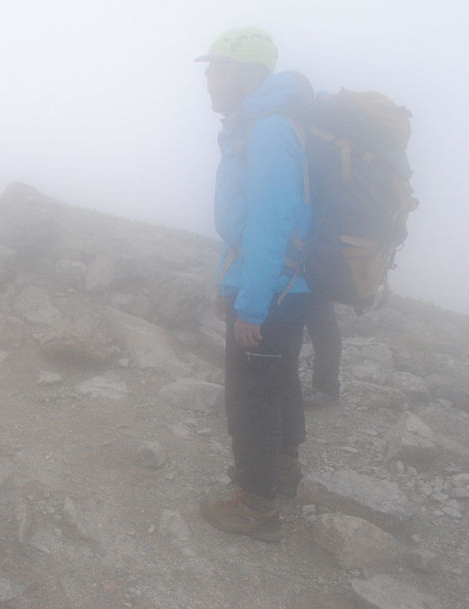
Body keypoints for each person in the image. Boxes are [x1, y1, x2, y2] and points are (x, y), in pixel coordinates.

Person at [195, 27, 313, 541]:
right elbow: (247, 225)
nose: (208, 81)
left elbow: (268, 223)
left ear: (246, 75)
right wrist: (232, 283)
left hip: (274, 291)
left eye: (216, 70)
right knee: (277, 380)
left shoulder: (267, 131)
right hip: (285, 287)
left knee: (252, 397)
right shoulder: (260, 125)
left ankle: (256, 504)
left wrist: (253, 306)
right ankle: (280, 471)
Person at [303, 294, 342, 408]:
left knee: (325, 332)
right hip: (311, 285)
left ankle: (326, 389)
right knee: (325, 330)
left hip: (312, 285)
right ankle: (326, 388)